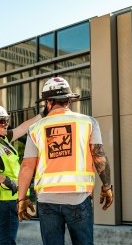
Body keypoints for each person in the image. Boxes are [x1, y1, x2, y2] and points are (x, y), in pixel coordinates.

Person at [17, 76, 114, 245]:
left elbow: (27, 166)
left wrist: (21, 199)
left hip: (47, 200)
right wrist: (107, 186)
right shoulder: (88, 122)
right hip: (78, 198)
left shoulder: (35, 128)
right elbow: (99, 155)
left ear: (47, 102)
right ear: (68, 100)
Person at [0, 105, 42, 245]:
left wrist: (41, 115)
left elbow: (21, 129)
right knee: (6, 241)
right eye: (2, 121)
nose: (6, 124)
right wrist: (6, 181)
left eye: (6, 120)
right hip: (0, 202)